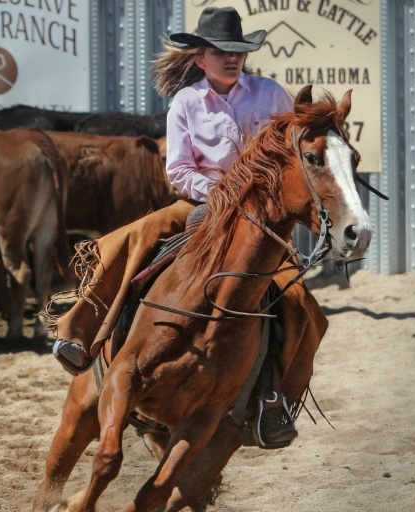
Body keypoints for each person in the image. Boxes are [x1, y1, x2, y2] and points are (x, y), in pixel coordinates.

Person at [50, 6, 322, 445]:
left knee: (300, 304)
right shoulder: (187, 101)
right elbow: (177, 169)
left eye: (238, 51)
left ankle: (274, 398)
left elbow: (296, 151)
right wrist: (218, 193)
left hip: (261, 220)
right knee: (137, 237)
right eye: (220, 51)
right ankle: (80, 330)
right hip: (201, 204)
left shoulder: (272, 95)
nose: (232, 58)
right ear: (200, 58)